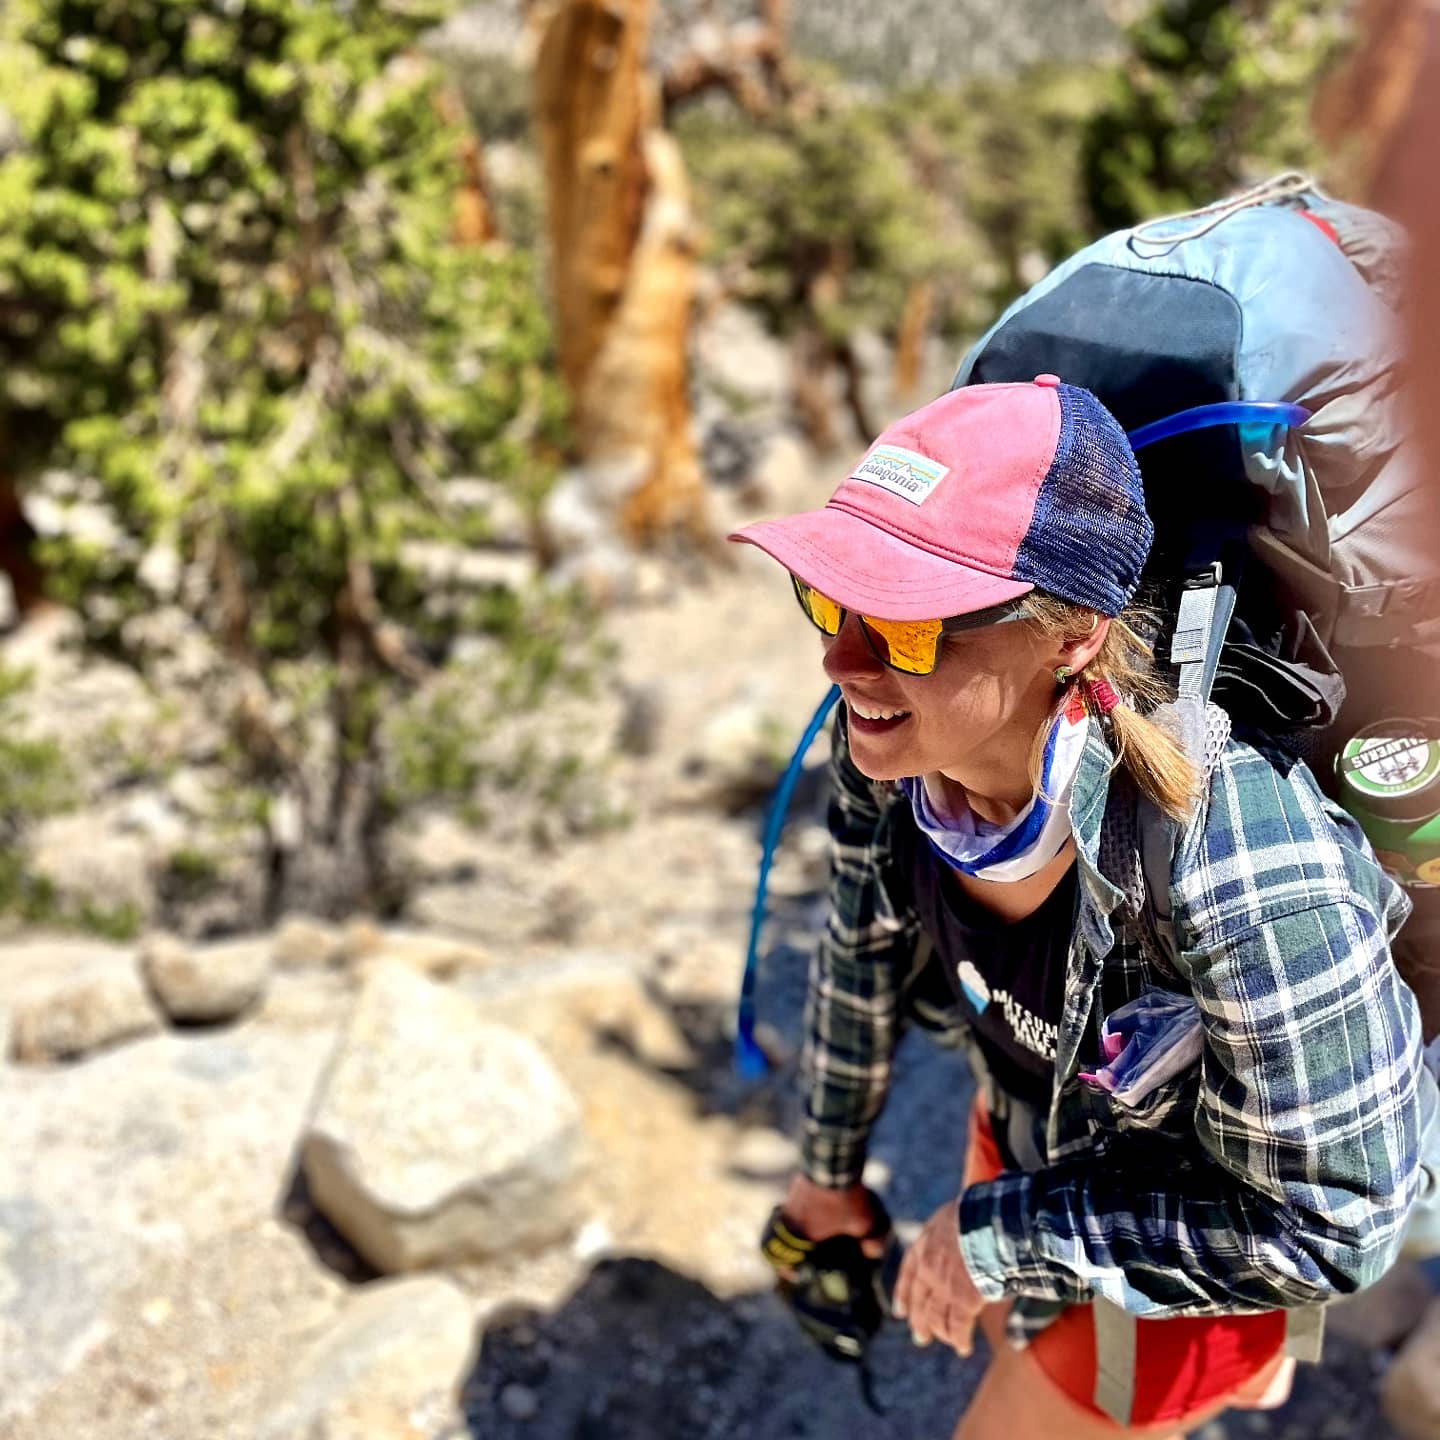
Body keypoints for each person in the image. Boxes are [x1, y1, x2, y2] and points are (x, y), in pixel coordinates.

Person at [729, 378, 1437, 1439]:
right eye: (832, 601)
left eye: (909, 627)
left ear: (1072, 637)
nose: (843, 661)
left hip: (1186, 1247)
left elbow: (1332, 1228)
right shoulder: (886, 751)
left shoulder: (1232, 857)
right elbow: (859, 946)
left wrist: (997, 1234)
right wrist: (829, 1180)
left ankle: (1240, 1373)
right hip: (1027, 1146)